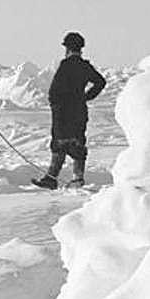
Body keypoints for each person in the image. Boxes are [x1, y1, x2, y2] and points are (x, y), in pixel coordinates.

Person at [32, 31, 106, 190]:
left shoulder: (66, 65)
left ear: (67, 48)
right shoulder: (85, 66)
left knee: (59, 143)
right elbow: (101, 82)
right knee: (77, 143)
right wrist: (85, 97)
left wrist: (55, 104)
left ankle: (51, 178)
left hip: (63, 112)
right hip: (79, 111)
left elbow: (54, 91)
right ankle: (77, 179)